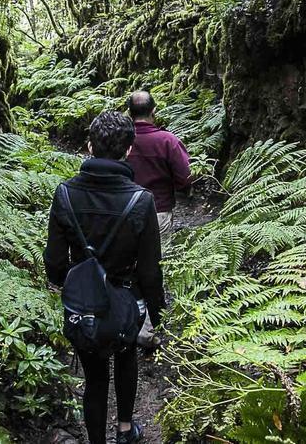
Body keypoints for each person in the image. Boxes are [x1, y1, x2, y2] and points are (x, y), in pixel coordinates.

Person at [45, 111, 164, 444]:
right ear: (128, 151)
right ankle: (125, 430)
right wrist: (158, 318)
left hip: (85, 305)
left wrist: (79, 279)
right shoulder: (142, 201)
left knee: (95, 375)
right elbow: (150, 271)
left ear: (89, 146)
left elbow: (54, 263)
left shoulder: (65, 194)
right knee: (126, 357)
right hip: (128, 301)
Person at [125, 91, 192, 241]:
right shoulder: (168, 141)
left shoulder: (121, 139)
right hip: (159, 210)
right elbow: (186, 176)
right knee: (158, 260)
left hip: (124, 210)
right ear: (153, 110)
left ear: (129, 113)